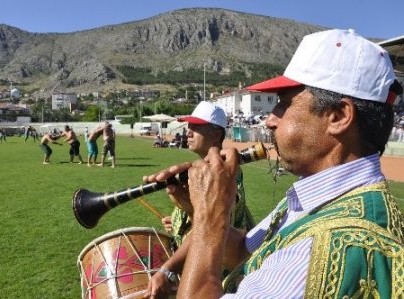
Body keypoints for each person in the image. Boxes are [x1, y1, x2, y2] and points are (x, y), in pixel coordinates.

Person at [143, 29, 404, 298]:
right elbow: (244, 253)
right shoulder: (320, 199)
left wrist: (209, 217)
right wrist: (200, 208)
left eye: (284, 104)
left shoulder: (326, 245)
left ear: (338, 116)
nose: (269, 120)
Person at [146, 101, 255, 297]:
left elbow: (214, 226)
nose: (188, 132)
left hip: (218, 280)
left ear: (216, 134)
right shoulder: (201, 171)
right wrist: (180, 221)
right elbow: (203, 216)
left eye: (196, 127)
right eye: (189, 126)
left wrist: (166, 269)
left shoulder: (226, 174)